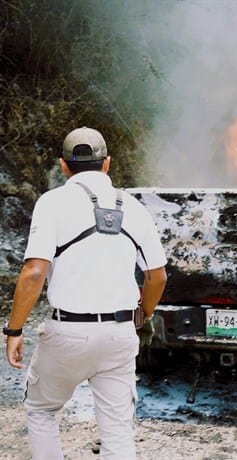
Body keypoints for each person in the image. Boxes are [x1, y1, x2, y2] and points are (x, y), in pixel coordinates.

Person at [4, 127, 168, 459]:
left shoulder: (52, 202)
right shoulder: (134, 207)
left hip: (68, 333)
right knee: (118, 431)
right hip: (119, 334)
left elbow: (34, 272)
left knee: (42, 410)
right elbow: (157, 277)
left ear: (63, 166)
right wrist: (144, 314)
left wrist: (14, 330)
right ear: (106, 163)